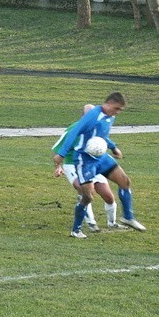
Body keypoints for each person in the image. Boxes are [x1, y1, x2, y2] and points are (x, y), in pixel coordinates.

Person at [53, 92, 145, 238]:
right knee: (87, 196)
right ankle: (76, 230)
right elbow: (75, 131)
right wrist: (61, 154)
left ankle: (128, 217)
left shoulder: (110, 116)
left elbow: (102, 136)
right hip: (84, 159)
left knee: (125, 181)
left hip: (101, 157)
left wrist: (113, 147)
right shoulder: (93, 115)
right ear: (108, 104)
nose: (118, 112)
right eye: (116, 108)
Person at [52, 103, 120, 233]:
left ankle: (112, 223)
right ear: (83, 116)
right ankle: (91, 223)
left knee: (108, 196)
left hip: (93, 163)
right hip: (72, 164)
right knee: (85, 192)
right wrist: (58, 166)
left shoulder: (97, 127)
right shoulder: (73, 130)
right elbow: (57, 150)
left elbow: (104, 140)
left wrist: (113, 148)